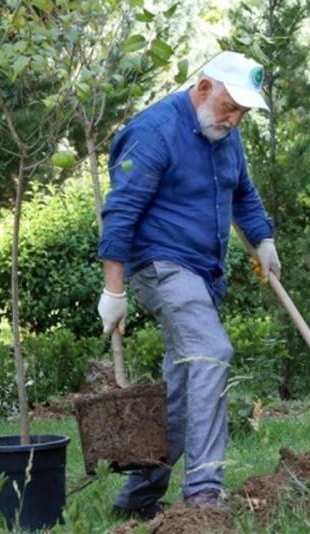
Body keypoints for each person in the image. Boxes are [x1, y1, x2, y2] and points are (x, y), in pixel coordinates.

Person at [96, 51, 281, 519]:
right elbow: (119, 215)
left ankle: (137, 498)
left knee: (184, 384)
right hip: (160, 266)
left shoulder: (223, 135)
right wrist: (114, 292)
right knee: (210, 353)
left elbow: (243, 193)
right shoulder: (153, 132)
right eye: (229, 107)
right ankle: (202, 494)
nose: (235, 119)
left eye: (242, 112)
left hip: (201, 275)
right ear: (203, 88)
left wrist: (263, 240)